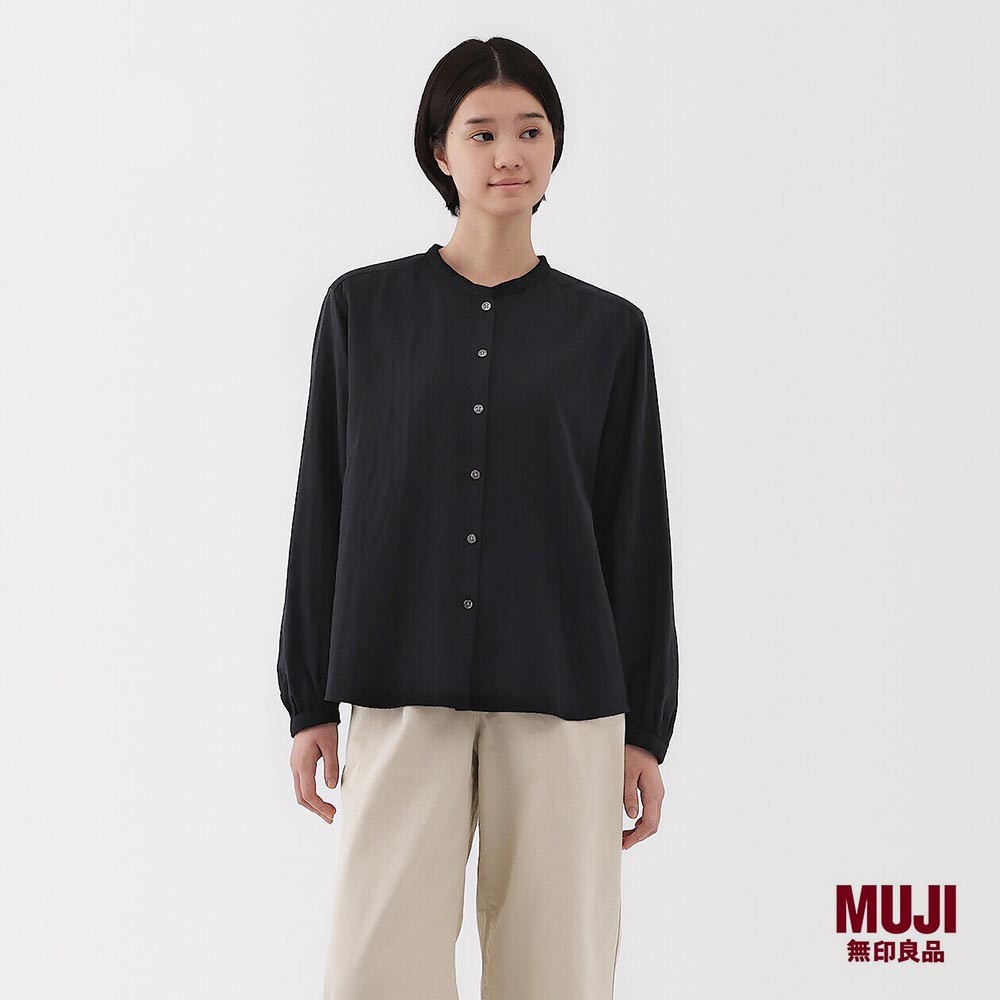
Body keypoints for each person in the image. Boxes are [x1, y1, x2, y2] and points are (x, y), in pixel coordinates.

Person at [275, 35, 680, 1000]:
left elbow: (636, 535)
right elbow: (324, 502)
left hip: (565, 697)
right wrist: (308, 702)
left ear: (556, 147)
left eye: (531, 131)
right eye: (483, 132)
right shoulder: (363, 311)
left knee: (558, 972)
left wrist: (645, 728)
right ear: (440, 150)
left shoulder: (608, 331)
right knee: (376, 970)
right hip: (397, 681)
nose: (509, 154)